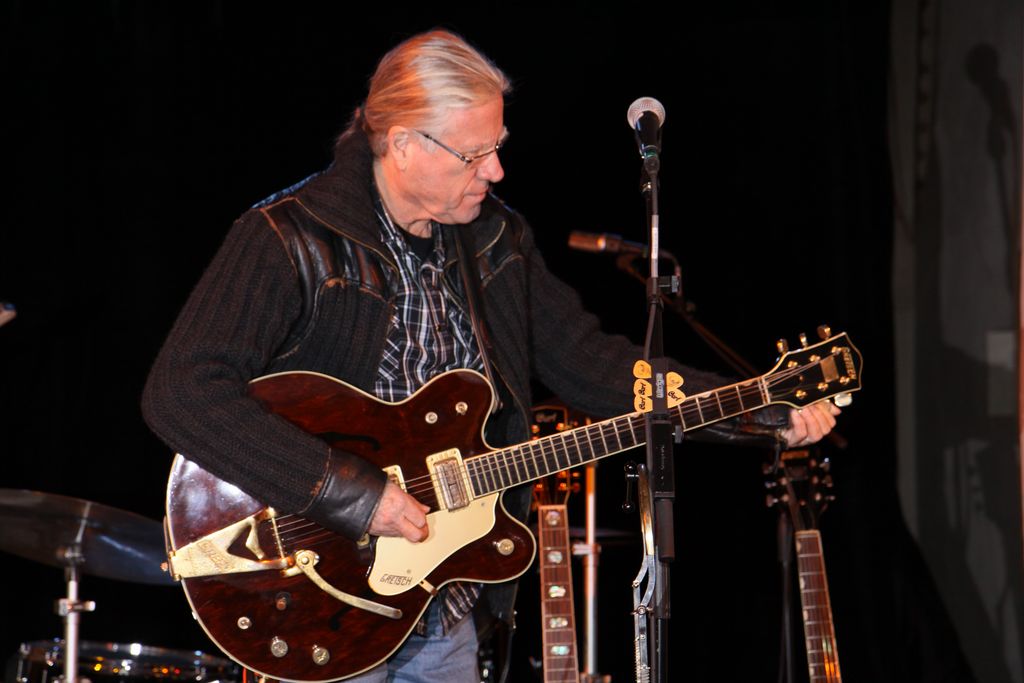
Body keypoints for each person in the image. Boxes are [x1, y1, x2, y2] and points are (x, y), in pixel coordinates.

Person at [141, 29, 839, 683]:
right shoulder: (288, 236)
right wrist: (354, 494)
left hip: (444, 607)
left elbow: (594, 364)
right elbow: (180, 392)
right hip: (313, 594)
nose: (496, 170)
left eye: (497, 146)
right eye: (473, 155)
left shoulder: (496, 240)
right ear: (402, 143)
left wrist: (757, 408)